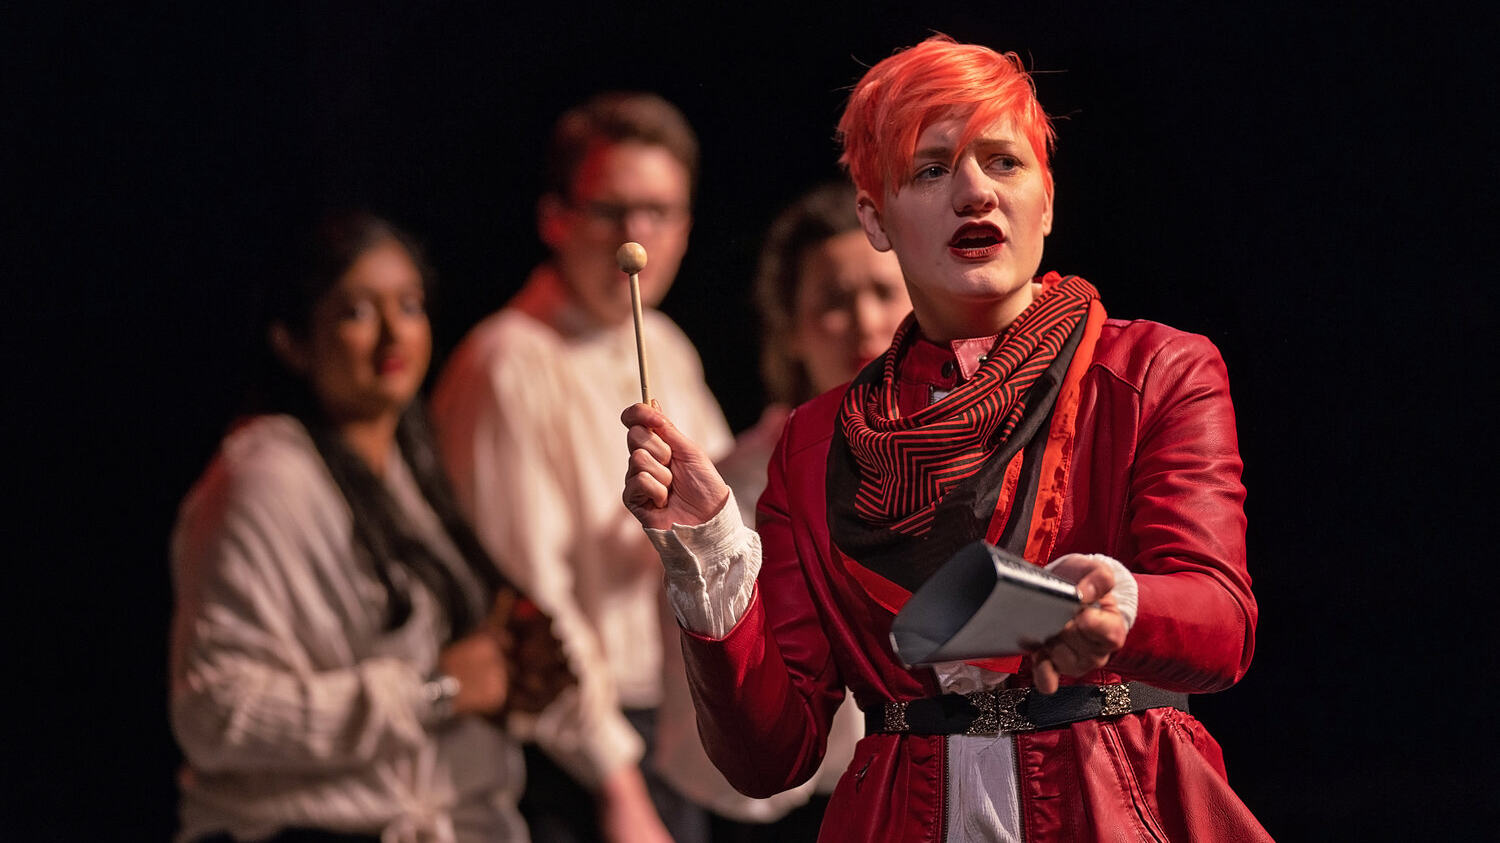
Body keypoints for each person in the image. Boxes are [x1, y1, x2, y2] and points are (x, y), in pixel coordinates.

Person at [621, 35, 1272, 843]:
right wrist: (710, 546)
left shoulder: (1154, 370)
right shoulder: (816, 442)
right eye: (931, 170)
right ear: (875, 218)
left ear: (1047, 197)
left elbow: (1221, 622)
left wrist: (1118, 607)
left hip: (1113, 808)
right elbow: (770, 757)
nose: (974, 193)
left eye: (1003, 162)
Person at [169, 211, 570, 843]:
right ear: (291, 340)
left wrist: (517, 673)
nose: (394, 335)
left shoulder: (411, 468)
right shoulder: (266, 479)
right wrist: (434, 691)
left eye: (410, 306)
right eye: (357, 312)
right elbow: (214, 714)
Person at [430, 92, 732, 843]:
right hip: (576, 750)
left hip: (673, 717)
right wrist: (616, 781)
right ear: (555, 219)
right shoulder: (508, 362)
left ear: (686, 227)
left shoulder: (667, 346)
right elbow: (530, 596)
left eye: (659, 211)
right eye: (610, 210)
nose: (636, 234)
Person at [654, 182, 910, 842]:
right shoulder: (735, 484)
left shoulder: (952, 453)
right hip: (790, 812)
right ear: (791, 328)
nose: (864, 321)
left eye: (885, 291)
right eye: (833, 300)